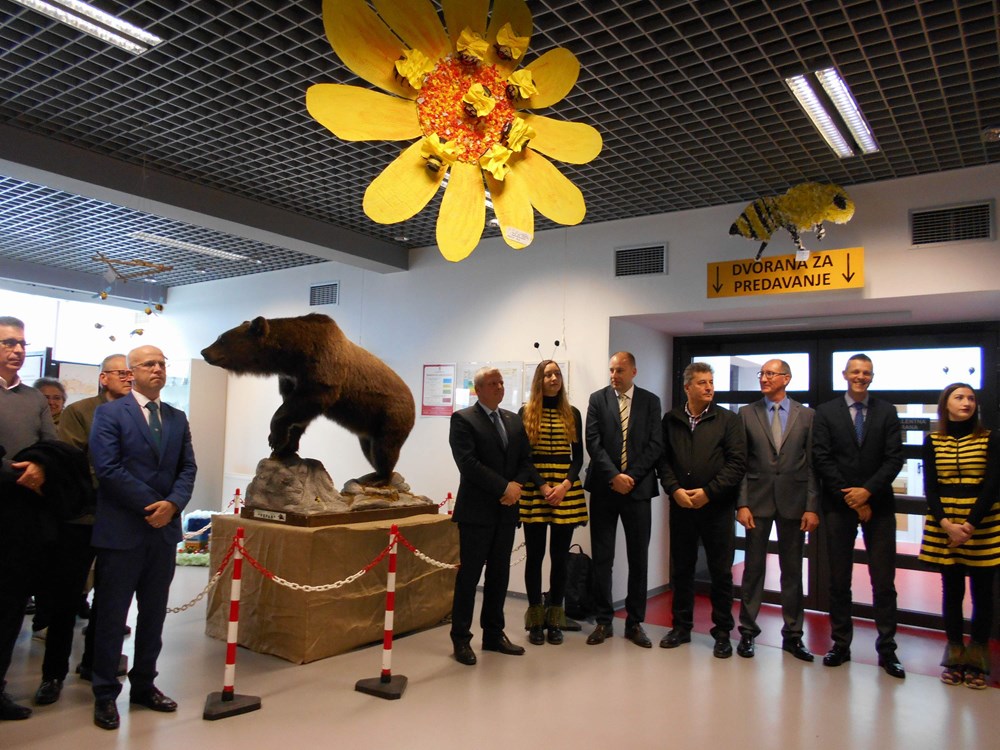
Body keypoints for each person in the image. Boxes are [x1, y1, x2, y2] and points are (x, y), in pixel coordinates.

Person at [89, 345, 196, 729]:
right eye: (150, 363)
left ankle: (144, 685)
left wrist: (173, 504)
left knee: (153, 616)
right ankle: (105, 693)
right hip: (123, 532)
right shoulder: (109, 414)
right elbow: (108, 468)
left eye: (162, 363)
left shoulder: (177, 418)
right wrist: (154, 505)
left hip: (162, 535)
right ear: (131, 373)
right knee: (112, 617)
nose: (158, 369)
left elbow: (188, 468)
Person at [31, 354, 133, 707]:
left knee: (109, 600)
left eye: (131, 372)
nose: (128, 377)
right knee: (67, 599)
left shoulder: (138, 414)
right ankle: (52, 674)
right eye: (121, 372)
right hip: (80, 519)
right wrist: (117, 485)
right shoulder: (80, 413)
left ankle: (93, 664)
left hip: (120, 520)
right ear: (103, 378)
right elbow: (72, 462)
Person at [813, 353, 905, 678]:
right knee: (839, 580)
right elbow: (822, 458)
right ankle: (841, 645)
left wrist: (867, 492)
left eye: (866, 372)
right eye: (855, 371)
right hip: (839, 506)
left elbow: (894, 459)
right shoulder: (826, 412)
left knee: (884, 581)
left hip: (879, 506)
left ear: (872, 377)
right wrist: (852, 497)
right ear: (844, 374)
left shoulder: (887, 411)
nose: (860, 377)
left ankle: (887, 650)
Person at [659, 362, 746, 657]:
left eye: (711, 382)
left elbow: (737, 463)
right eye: (702, 383)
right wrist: (674, 490)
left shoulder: (728, 420)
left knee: (720, 572)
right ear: (687, 387)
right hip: (682, 506)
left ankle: (722, 633)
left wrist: (709, 492)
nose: (709, 387)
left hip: (717, 508)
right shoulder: (671, 419)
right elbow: (663, 461)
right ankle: (681, 628)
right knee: (682, 569)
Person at [448, 367, 533, 666]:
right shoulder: (463, 419)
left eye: (501, 382)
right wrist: (504, 487)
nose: (499, 387)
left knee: (499, 575)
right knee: (469, 578)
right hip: (477, 512)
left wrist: (516, 486)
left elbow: (526, 459)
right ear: (479, 389)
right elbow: (468, 463)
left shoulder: (513, 419)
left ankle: (494, 634)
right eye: (493, 383)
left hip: (507, 511)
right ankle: (461, 638)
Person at [917, 383, 999, 689]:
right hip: (945, 522)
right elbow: (931, 486)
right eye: (959, 397)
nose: (966, 402)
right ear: (946, 404)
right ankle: (954, 656)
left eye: (971, 398)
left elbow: (993, 484)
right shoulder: (933, 441)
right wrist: (947, 524)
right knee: (951, 592)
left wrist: (970, 524)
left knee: (982, 594)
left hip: (982, 523)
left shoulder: (989, 438)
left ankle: (977, 660)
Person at [735, 359, 818, 661]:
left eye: (770, 374)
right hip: (757, 502)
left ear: (786, 378)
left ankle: (793, 635)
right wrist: (742, 503)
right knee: (753, 570)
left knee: (792, 571)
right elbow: (740, 463)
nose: (764, 378)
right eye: (762, 374)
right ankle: (747, 632)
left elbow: (813, 466)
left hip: (794, 502)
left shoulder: (807, 415)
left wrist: (811, 506)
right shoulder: (747, 413)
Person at [584, 352, 663, 648]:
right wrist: (614, 476)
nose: (614, 375)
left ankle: (635, 622)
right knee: (603, 557)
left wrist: (630, 477)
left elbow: (655, 444)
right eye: (611, 370)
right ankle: (604, 621)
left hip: (638, 490)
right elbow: (593, 442)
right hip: (605, 489)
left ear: (633, 372)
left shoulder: (650, 401)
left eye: (619, 370)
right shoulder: (598, 399)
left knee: (638, 558)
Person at [0, 316, 56, 720]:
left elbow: (52, 447)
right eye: (8, 343)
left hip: (21, 519)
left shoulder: (34, 399)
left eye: (21, 343)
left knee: (9, 607)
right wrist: (19, 473)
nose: (18, 350)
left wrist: (41, 467)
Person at [518, 360, 588, 645]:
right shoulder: (525, 412)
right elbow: (523, 457)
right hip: (536, 489)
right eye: (548, 374)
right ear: (539, 379)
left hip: (565, 489)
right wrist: (542, 485)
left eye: (557, 374)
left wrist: (564, 485)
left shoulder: (572, 413)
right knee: (534, 557)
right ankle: (536, 620)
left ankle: (556, 618)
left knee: (559, 558)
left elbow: (578, 457)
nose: (554, 378)